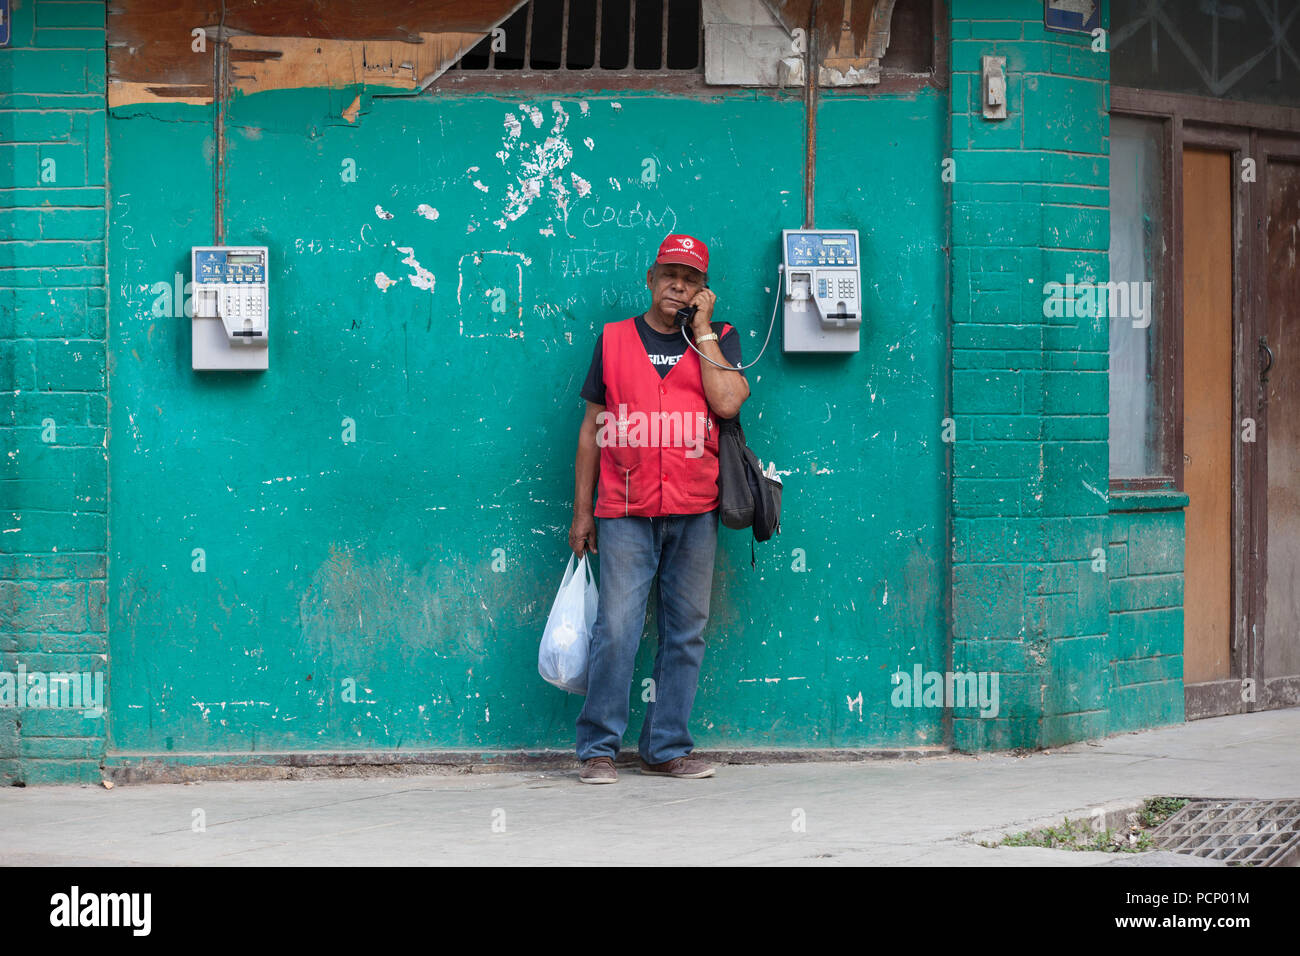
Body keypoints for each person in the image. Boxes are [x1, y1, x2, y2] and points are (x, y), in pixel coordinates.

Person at [569, 234, 750, 784]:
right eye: (671, 274)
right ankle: (598, 749)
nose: (679, 285)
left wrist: (701, 331)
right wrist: (582, 513)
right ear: (650, 277)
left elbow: (726, 403)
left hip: (696, 506)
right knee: (617, 629)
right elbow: (590, 430)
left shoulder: (718, 338)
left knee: (686, 630)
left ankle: (667, 745)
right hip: (624, 507)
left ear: (705, 290)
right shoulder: (615, 339)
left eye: (692, 278)